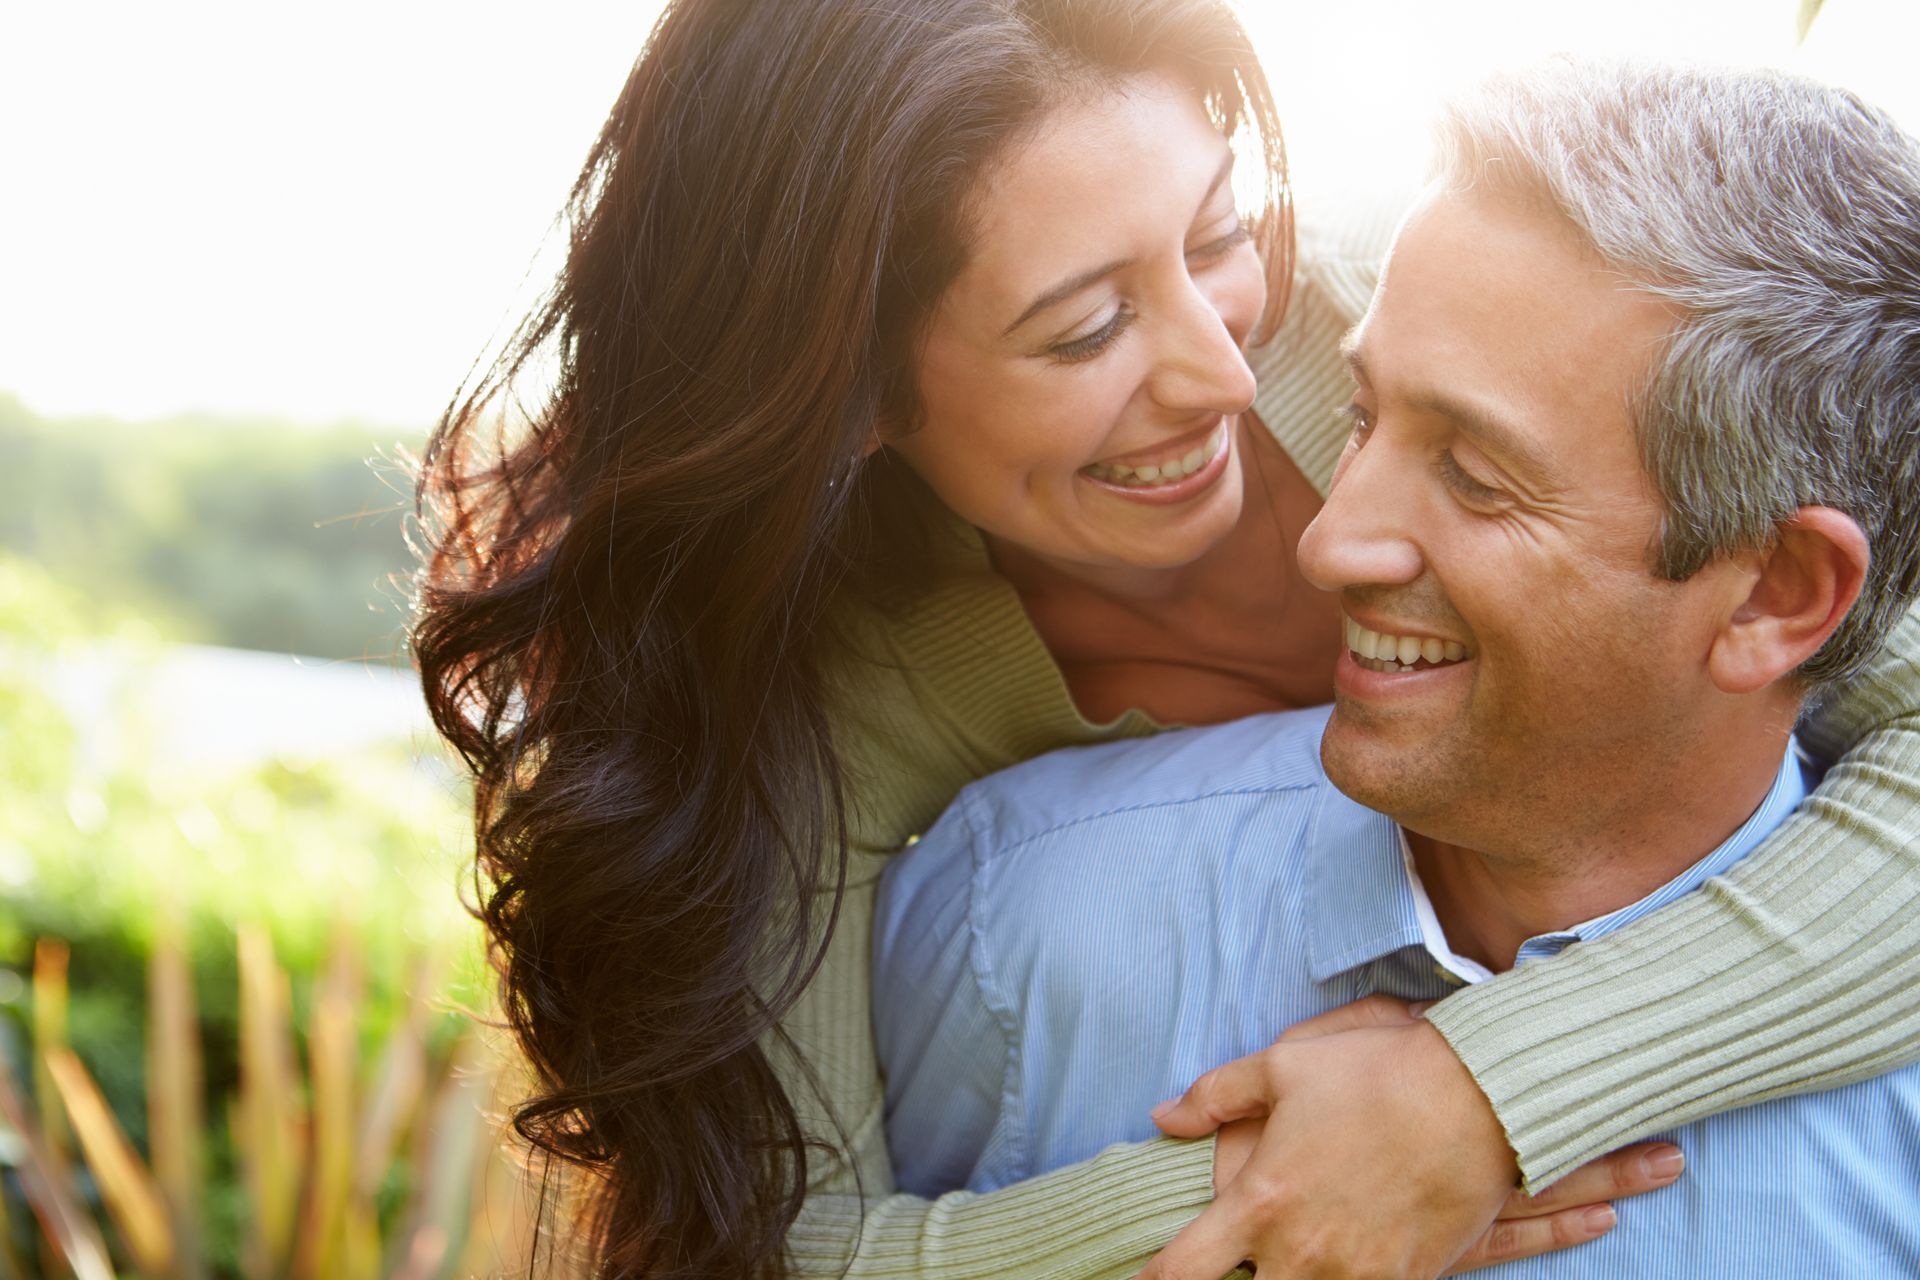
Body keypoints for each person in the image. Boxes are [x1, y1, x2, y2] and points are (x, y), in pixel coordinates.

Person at [408, 0, 1920, 1272]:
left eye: (1214, 236)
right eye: (1082, 331)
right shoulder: (827, 703)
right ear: (852, 390)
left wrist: (1489, 1094)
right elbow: (775, 1244)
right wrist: (1268, 1196)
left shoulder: (1461, 315)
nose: (1223, 369)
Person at [876, 58, 1920, 1276]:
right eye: (1362, 416)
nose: (1325, 540)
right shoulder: (1011, 920)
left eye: (1476, 475)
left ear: (1776, 592)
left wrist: (1497, 1087)